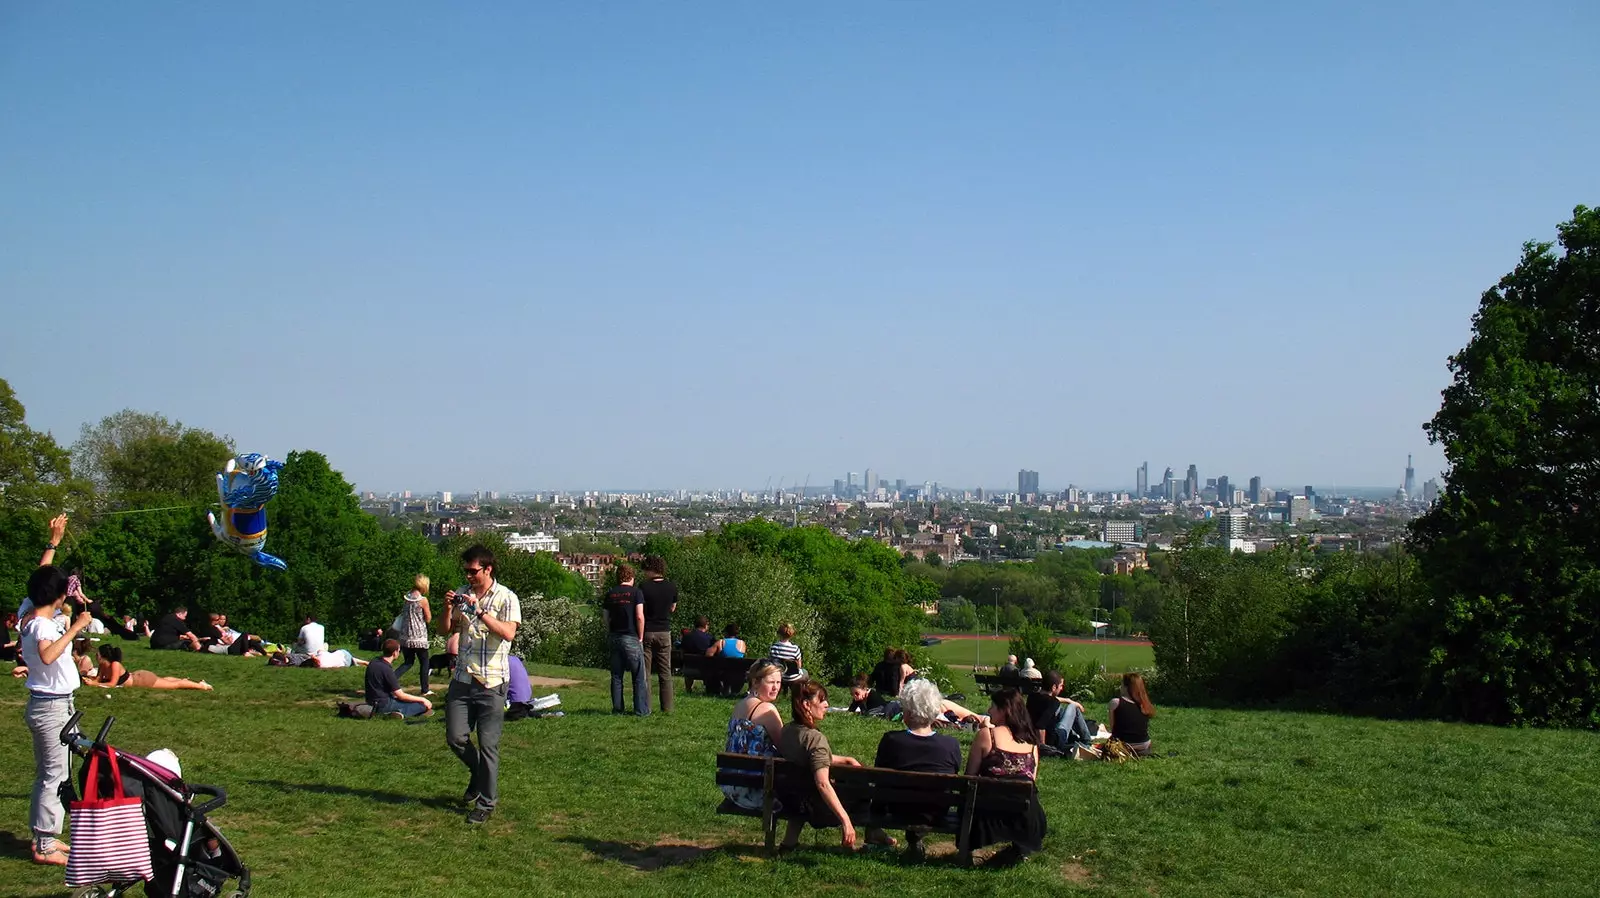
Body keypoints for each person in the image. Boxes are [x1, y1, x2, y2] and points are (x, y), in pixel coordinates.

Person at [440, 544, 521, 825]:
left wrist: (481, 612)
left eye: (473, 571)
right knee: (456, 737)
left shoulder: (507, 597)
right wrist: (448, 608)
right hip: (462, 679)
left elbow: (509, 633)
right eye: (466, 571)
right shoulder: (463, 593)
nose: (469, 576)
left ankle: (486, 803)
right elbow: (445, 630)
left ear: (488, 569)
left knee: (488, 745)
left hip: (492, 681)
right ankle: (478, 775)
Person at [22, 554, 94, 866]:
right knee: (53, 775)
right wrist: (76, 626)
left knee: (57, 772)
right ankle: (45, 845)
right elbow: (49, 655)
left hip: (58, 705)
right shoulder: (41, 626)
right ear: (57, 596)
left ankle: (48, 838)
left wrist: (52, 544)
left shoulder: (29, 612)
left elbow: (41, 576)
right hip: (51, 708)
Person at [776, 680, 894, 852]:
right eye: (822, 700)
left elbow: (807, 757)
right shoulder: (815, 739)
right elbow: (822, 783)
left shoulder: (787, 731)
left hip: (790, 800)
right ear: (806, 704)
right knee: (860, 787)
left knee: (812, 781)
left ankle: (789, 842)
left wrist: (844, 759)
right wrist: (845, 821)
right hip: (816, 807)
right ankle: (867, 834)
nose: (826, 705)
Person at [874, 678, 963, 857]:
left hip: (899, 810)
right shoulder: (950, 745)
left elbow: (879, 777)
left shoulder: (891, 740)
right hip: (936, 812)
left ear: (906, 712)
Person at [964, 688, 1048, 861]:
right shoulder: (1032, 745)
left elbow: (969, 777)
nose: (989, 710)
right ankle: (1018, 850)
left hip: (987, 815)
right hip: (1025, 816)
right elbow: (1032, 781)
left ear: (1005, 710)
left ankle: (970, 849)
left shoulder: (987, 736)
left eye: (993, 706)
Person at [718, 660, 785, 811]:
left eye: (779, 682)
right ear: (755, 682)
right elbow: (786, 747)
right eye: (771, 682)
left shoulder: (740, 704)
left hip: (733, 785)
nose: (776, 687)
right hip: (756, 789)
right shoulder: (767, 709)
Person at [601, 564, 649, 716]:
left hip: (615, 636)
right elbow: (639, 616)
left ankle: (617, 709)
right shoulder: (636, 593)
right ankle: (640, 710)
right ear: (632, 577)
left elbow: (605, 617)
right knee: (639, 677)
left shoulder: (611, 593)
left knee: (616, 676)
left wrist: (610, 632)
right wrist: (641, 636)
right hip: (631, 636)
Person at [638, 555, 678, 713]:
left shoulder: (643, 587)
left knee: (645, 673)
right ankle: (667, 707)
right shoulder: (671, 586)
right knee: (665, 672)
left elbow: (640, 609)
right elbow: (672, 608)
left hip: (647, 631)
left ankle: (646, 706)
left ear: (650, 570)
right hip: (664, 631)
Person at [1028, 670, 1095, 755]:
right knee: (1073, 707)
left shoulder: (1032, 697)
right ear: (1053, 687)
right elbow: (1041, 726)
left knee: (1062, 710)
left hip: (1032, 737)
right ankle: (1087, 741)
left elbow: (1049, 698)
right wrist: (1043, 747)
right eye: (1060, 686)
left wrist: (1067, 700)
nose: (1062, 688)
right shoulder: (1052, 702)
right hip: (1055, 741)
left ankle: (1074, 737)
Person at [92, 645, 213, 691]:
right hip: (138, 676)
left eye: (98, 653)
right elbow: (99, 680)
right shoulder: (103, 665)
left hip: (142, 680)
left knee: (173, 685)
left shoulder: (115, 664)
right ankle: (186, 681)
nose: (96, 655)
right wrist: (90, 681)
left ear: (103, 656)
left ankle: (201, 686)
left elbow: (112, 684)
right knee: (164, 680)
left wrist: (94, 685)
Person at [365, 639, 433, 719]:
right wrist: (422, 699)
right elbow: (401, 695)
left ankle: (394, 712)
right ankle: (400, 713)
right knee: (422, 705)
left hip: (371, 701)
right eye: (399, 650)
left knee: (406, 701)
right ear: (395, 653)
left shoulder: (374, 662)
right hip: (384, 703)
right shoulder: (387, 669)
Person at [394, 574, 434, 695]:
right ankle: (425, 689)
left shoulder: (406, 598)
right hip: (419, 636)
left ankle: (390, 680)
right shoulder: (422, 600)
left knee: (408, 662)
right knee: (424, 662)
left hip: (406, 635)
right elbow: (428, 618)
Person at [1108, 672, 1156, 757]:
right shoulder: (1144, 704)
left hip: (1124, 745)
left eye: (1121, 684)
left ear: (1126, 687)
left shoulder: (1116, 703)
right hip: (1144, 744)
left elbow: (1113, 729)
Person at [680, 616, 716, 695]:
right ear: (706, 625)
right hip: (704, 669)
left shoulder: (686, 637)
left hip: (688, 668)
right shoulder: (710, 638)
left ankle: (688, 689)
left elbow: (682, 652)